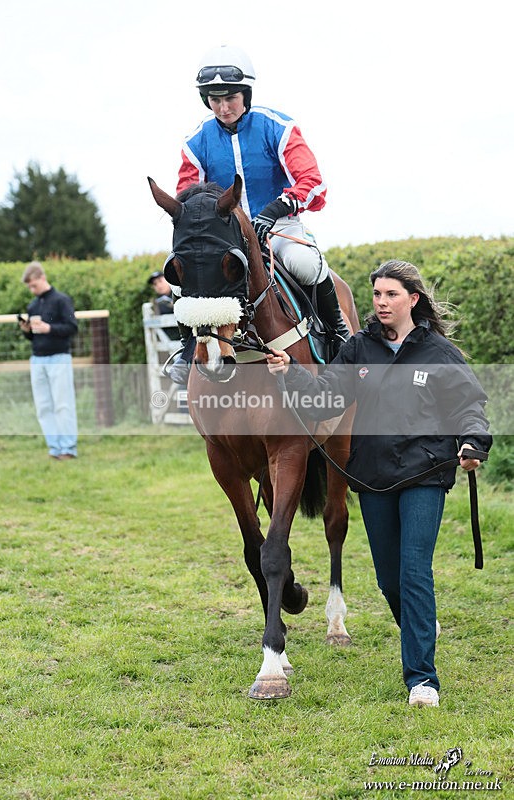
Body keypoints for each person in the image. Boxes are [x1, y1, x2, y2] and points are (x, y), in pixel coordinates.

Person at [266, 260, 492, 708]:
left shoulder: (438, 351)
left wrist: (472, 443)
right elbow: (323, 396)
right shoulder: (359, 350)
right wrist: (290, 372)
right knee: (390, 581)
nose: (382, 302)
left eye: (391, 294)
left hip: (425, 475)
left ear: (414, 299)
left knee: (413, 572)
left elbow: (470, 403)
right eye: (377, 295)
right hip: (373, 479)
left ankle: (422, 680)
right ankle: (419, 628)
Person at [168, 43, 349, 384]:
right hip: (224, 236)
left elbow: (312, 182)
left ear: (246, 94)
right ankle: (189, 344)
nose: (222, 107)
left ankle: (339, 335)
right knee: (179, 277)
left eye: (230, 98)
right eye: (214, 99)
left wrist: (274, 209)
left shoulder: (277, 126)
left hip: (280, 225)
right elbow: (187, 196)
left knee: (306, 264)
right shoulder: (195, 141)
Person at [19, 262, 79, 460]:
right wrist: (27, 331)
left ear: (42, 278)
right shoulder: (33, 305)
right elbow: (34, 337)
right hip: (37, 360)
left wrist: (50, 329)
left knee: (63, 404)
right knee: (44, 406)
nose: (32, 289)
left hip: (59, 358)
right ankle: (54, 447)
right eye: (29, 286)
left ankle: (68, 448)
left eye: (33, 285)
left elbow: (72, 327)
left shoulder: (62, 300)